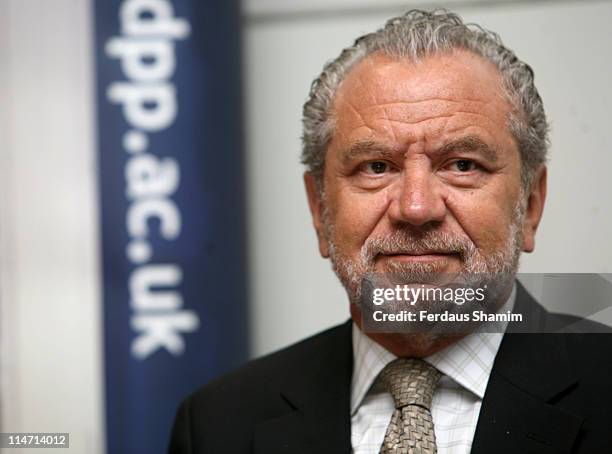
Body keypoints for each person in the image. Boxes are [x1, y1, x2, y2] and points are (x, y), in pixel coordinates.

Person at [169, 9, 611, 453]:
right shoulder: (218, 425)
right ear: (319, 210)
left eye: (462, 165)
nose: (416, 208)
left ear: (530, 204)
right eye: (376, 167)